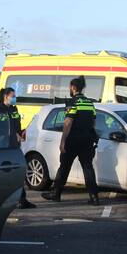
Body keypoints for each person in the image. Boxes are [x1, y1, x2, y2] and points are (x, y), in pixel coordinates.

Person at [41, 76, 100, 205]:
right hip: (87, 140)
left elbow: (68, 122)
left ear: (73, 88)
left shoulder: (72, 102)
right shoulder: (90, 103)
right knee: (88, 167)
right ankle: (94, 197)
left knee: (64, 166)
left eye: (70, 87)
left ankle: (56, 193)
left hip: (73, 140)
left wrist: (62, 142)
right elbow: (94, 122)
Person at [0, 87, 35, 209]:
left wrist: (21, 132)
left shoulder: (13, 109)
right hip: (3, 145)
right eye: (13, 96)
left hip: (14, 145)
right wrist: (14, 134)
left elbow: (17, 124)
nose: (14, 98)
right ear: (6, 96)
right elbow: (0, 128)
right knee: (3, 174)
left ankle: (22, 200)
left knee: (18, 172)